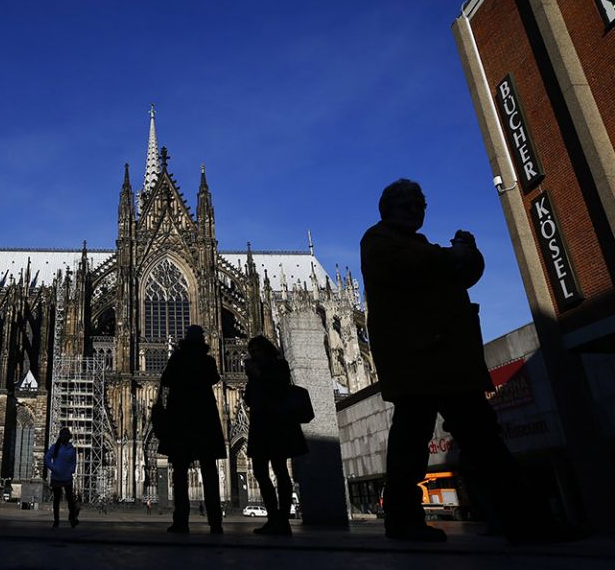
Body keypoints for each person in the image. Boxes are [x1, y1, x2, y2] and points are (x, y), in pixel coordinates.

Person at [360, 179, 573, 544]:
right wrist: (451, 255)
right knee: (417, 445)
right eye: (407, 204)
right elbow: (412, 268)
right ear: (388, 208)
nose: (415, 211)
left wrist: (468, 253)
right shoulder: (380, 241)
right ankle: (405, 519)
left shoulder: (420, 247)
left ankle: (523, 521)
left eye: (419, 205)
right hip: (417, 359)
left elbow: (464, 274)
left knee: (482, 442)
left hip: (448, 360)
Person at [158, 325, 225, 535]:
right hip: (204, 417)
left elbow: (165, 379)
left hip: (181, 418)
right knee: (209, 471)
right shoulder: (207, 360)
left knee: (179, 473)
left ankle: (181, 521)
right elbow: (215, 378)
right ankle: (215, 523)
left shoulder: (178, 358)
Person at [244, 335, 308, 536]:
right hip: (260, 423)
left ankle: (282, 519)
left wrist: (258, 374)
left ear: (267, 350)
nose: (255, 354)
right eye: (252, 351)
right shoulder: (255, 370)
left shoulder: (280, 365)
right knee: (260, 471)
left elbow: (279, 389)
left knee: (280, 470)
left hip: (278, 423)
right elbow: (248, 397)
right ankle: (273, 518)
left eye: (258, 350)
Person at [44, 427, 79, 528]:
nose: (65, 438)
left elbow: (73, 461)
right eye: (64, 436)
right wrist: (53, 468)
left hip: (67, 477)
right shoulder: (55, 447)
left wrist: (71, 470)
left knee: (70, 500)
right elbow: (47, 458)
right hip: (57, 477)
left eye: (67, 436)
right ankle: (56, 521)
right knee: (56, 500)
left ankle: (72, 519)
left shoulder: (71, 448)